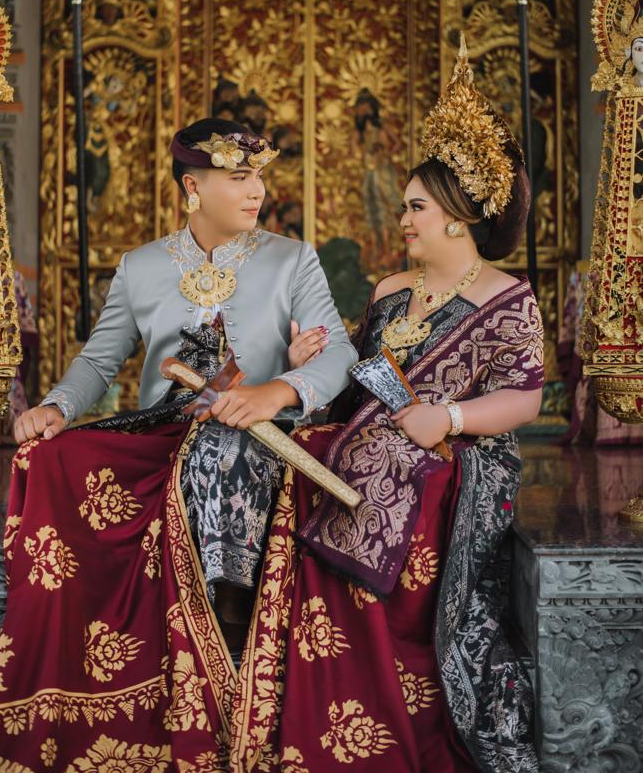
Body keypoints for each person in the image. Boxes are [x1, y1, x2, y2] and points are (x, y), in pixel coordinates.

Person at [0, 118, 357, 772]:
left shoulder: (292, 259)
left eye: (259, 177)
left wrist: (279, 390)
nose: (256, 191)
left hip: (255, 433)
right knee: (51, 457)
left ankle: (227, 643)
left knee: (220, 450)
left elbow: (338, 352)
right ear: (191, 188)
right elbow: (99, 361)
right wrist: (57, 406)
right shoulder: (141, 266)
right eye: (239, 178)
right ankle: (84, 645)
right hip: (160, 434)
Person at [227, 38, 544, 773]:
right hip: (381, 436)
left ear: (458, 217)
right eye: (405, 206)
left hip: (458, 456)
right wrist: (308, 366)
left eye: (416, 208)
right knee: (308, 456)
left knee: (382, 467)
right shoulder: (390, 292)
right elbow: (364, 387)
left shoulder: (508, 298)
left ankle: (383, 694)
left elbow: (525, 399)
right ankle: (316, 704)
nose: (402, 219)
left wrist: (449, 419)